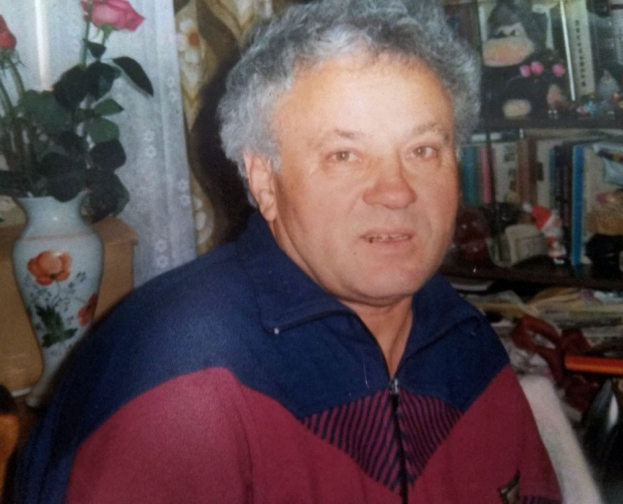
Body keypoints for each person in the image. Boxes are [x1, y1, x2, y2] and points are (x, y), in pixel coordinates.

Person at [14, 0, 562, 502]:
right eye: (345, 155)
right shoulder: (183, 375)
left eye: (422, 150)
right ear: (264, 181)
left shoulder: (466, 342)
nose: (396, 191)